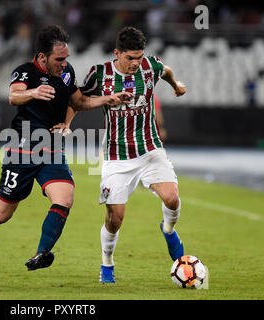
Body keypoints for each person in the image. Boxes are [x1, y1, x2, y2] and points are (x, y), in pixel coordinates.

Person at [0, 25, 132, 271]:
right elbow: (13, 96)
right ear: (41, 57)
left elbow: (78, 101)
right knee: (2, 214)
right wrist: (34, 92)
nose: (64, 63)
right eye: (59, 59)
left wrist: (107, 99)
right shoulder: (25, 73)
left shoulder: (66, 73)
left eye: (66, 58)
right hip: (22, 150)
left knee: (65, 198)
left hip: (52, 150)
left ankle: (42, 252)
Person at [79, 26, 186, 283]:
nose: (135, 63)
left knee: (171, 199)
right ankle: (107, 264)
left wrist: (176, 85)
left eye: (139, 57)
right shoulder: (100, 73)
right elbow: (78, 99)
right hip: (117, 156)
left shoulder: (150, 66)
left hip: (150, 149)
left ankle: (169, 230)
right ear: (117, 53)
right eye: (130, 58)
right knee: (116, 217)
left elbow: (167, 71)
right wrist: (67, 122)